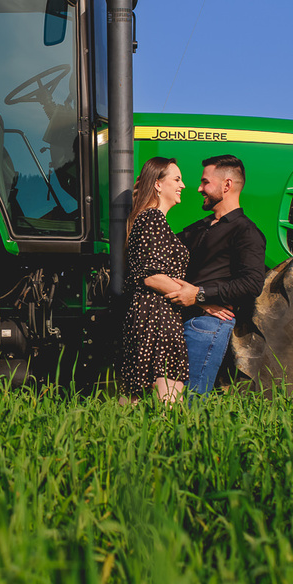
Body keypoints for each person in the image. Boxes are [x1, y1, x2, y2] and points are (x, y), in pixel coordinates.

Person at [166, 155, 267, 395]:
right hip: (184, 317)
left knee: (189, 400)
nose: (199, 188)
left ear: (227, 185)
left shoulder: (246, 231)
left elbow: (252, 283)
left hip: (208, 325)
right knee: (170, 401)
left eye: (205, 182)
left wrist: (200, 295)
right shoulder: (198, 228)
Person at [119, 157, 191, 403]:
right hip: (157, 316)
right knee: (170, 406)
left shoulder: (146, 219)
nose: (183, 185)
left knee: (133, 398)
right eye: (177, 179)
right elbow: (151, 277)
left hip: (150, 314)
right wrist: (195, 297)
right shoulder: (152, 219)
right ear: (158, 184)